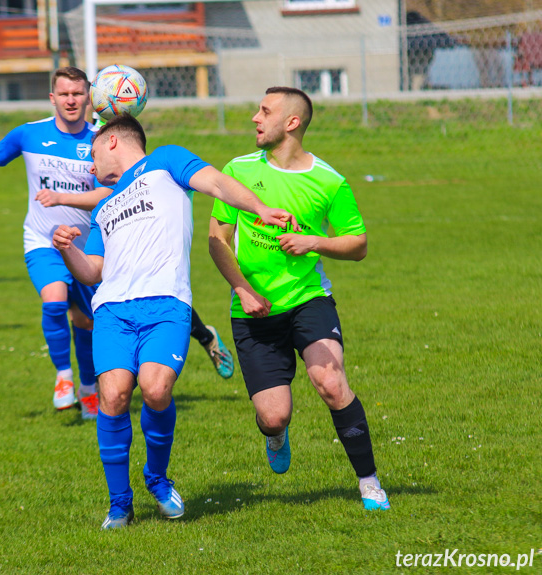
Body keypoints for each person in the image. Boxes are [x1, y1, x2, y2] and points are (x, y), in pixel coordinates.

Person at [52, 114, 296, 529]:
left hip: (166, 304)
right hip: (112, 310)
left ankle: (157, 480)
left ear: (112, 142)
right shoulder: (104, 207)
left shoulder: (166, 161)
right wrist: (66, 250)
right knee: (112, 398)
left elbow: (218, 183)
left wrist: (258, 207)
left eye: (92, 155)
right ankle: (119, 504)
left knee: (155, 387)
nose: (91, 167)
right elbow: (93, 272)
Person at [208, 87, 390, 511]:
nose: (255, 117)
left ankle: (369, 483)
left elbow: (358, 243)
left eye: (264, 111)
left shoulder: (329, 180)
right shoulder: (236, 170)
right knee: (274, 416)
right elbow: (217, 239)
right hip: (253, 309)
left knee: (330, 382)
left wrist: (314, 242)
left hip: (309, 299)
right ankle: (274, 435)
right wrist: (241, 287)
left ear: (291, 123)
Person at [0, 67, 101, 419]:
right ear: (52, 98)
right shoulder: (29, 134)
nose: (70, 100)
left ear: (88, 98)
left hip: (87, 245)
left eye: (77, 94)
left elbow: (113, 188)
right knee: (54, 300)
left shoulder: (100, 140)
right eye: (63, 94)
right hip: (41, 239)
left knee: (86, 323)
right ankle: (64, 377)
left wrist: (64, 197)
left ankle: (89, 388)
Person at [36, 186, 235, 378]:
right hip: (82, 247)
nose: (93, 167)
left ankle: (205, 338)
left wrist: (61, 198)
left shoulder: (119, 164)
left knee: (151, 293)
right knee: (80, 315)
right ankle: (88, 386)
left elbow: (105, 195)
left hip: (120, 241)